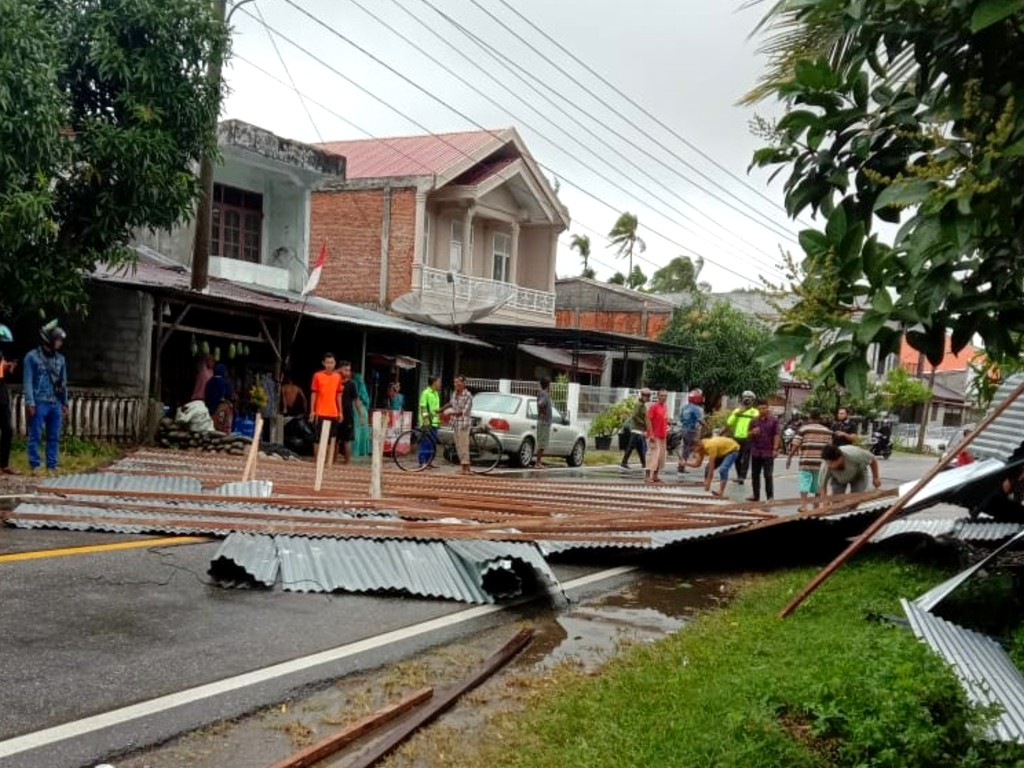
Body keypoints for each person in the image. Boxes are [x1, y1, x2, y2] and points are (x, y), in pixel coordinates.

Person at [23, 321, 69, 475]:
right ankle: (35, 464)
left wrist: (65, 402)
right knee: (35, 434)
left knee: (54, 435)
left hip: (55, 401)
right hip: (39, 400)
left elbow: (63, 382)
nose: (60, 343)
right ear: (49, 339)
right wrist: (30, 402)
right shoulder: (31, 357)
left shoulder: (60, 359)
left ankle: (52, 464)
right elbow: (28, 381)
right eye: (57, 339)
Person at [787, 408, 833, 511]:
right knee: (818, 484)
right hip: (820, 462)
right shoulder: (827, 431)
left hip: (806, 461)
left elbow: (795, 445)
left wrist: (789, 457)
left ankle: (804, 506)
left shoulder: (804, 429)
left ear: (810, 417)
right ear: (819, 418)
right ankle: (816, 506)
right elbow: (829, 448)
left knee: (804, 482)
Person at [309, 352, 342, 461]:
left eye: (331, 362)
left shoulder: (338, 377)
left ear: (335, 363)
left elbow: (338, 395)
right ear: (323, 363)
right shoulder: (317, 376)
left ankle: (328, 461)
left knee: (332, 438)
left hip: (333, 412)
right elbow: (314, 393)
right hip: (320, 412)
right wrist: (312, 411)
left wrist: (340, 412)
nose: (329, 365)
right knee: (317, 438)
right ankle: (317, 461)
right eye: (327, 362)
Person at [747, 398, 781, 502]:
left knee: (768, 475)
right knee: (755, 474)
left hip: (768, 451)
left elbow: (777, 435)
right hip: (756, 451)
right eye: (760, 409)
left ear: (767, 408)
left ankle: (770, 497)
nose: (762, 411)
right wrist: (752, 432)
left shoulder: (774, 420)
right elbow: (747, 435)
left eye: (764, 408)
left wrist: (775, 449)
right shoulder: (753, 421)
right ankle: (755, 495)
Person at [726, 391, 759, 484]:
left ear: (753, 401)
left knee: (745, 458)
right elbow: (729, 422)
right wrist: (738, 413)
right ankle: (739, 475)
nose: (747, 401)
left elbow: (756, 423)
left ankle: (742, 477)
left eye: (749, 399)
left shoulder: (755, 412)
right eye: (745, 399)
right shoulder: (737, 410)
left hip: (748, 438)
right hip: (737, 437)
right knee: (736, 457)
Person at [337, 361, 366, 465]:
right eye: (345, 370)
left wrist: (361, 415)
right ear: (339, 369)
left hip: (348, 415)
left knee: (347, 440)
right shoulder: (335, 381)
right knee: (334, 439)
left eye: (349, 370)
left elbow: (356, 400)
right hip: (335, 414)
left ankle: (347, 462)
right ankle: (333, 461)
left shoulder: (352, 384)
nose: (348, 372)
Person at [446, 374, 474, 475]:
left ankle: (465, 469)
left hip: (463, 424)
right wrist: (441, 409)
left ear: (463, 383)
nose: (456, 384)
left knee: (463, 446)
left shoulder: (468, 395)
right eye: (455, 382)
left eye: (458, 382)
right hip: (455, 423)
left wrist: (450, 413)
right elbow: (451, 403)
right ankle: (465, 468)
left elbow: (464, 411)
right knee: (458, 446)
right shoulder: (454, 393)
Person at [0, 324, 17, 475]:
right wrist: (4, 367)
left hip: (2, 396)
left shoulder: (1, 354)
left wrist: (8, 368)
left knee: (7, 429)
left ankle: (3, 464)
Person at [676, 389, 705, 473]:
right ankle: (682, 465)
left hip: (684, 429)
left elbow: (680, 419)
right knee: (689, 448)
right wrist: (707, 426)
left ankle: (682, 464)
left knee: (687, 447)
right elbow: (700, 420)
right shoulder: (697, 409)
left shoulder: (684, 407)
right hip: (692, 431)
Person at [620, 388, 650, 470]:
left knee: (640, 448)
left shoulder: (642, 405)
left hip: (640, 430)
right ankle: (624, 462)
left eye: (648, 396)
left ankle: (643, 464)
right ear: (643, 396)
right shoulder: (639, 405)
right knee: (631, 446)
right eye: (647, 396)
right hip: (636, 429)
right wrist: (643, 423)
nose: (648, 398)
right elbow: (635, 416)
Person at [645, 388, 669, 484]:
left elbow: (665, 420)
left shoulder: (665, 407)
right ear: (658, 396)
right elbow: (648, 420)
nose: (663, 397)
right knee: (652, 456)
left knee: (661, 457)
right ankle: (647, 476)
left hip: (663, 435)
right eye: (662, 395)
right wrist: (651, 434)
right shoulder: (654, 407)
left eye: (665, 396)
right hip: (654, 435)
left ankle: (655, 475)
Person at [418, 376, 442, 468]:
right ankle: (423, 462)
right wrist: (426, 420)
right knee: (425, 443)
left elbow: (435, 409)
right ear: (434, 382)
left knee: (432, 444)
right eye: (438, 382)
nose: (439, 384)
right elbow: (423, 407)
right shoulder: (426, 393)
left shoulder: (436, 393)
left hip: (435, 422)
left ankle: (429, 461)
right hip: (427, 422)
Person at [204, 363, 234, 433]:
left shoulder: (209, 382)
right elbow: (229, 394)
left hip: (209, 409)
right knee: (221, 427)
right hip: (220, 409)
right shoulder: (224, 383)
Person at [534, 377, 552, 469]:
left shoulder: (543, 394)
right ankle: (537, 463)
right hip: (543, 422)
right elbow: (540, 404)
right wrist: (543, 413)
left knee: (542, 443)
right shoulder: (544, 394)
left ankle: (538, 462)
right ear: (548, 385)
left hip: (543, 421)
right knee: (541, 443)